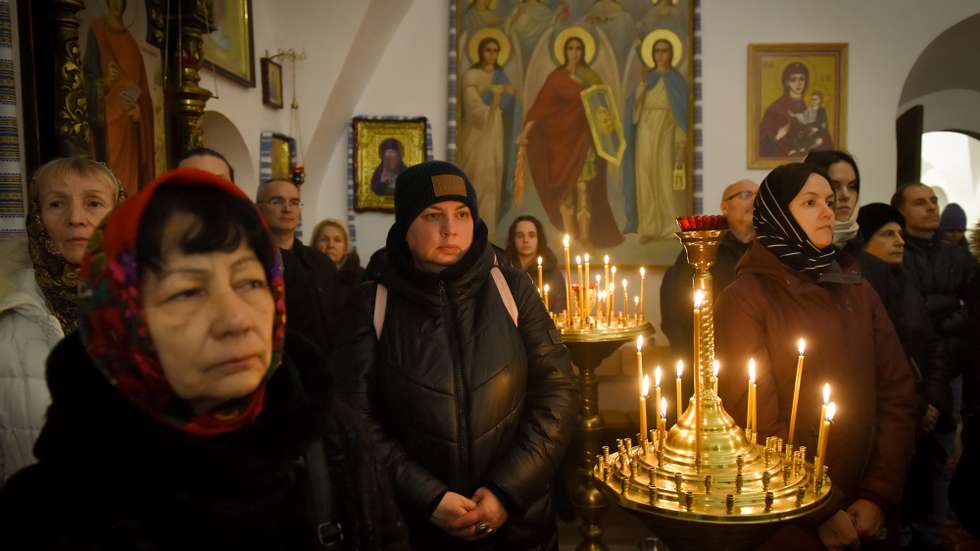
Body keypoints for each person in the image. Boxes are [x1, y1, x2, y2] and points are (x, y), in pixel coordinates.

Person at [0, 168, 407, 549]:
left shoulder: (332, 446)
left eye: (250, 282)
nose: (235, 320)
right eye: (187, 292)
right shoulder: (48, 509)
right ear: (121, 318)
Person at [332, 161, 578, 550]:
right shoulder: (373, 302)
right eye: (433, 216)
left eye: (462, 214)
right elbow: (353, 418)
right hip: (414, 526)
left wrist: (506, 492)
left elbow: (557, 393)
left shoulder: (511, 286)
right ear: (405, 226)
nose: (451, 229)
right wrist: (429, 498)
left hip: (518, 525)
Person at [715, 163, 915, 550]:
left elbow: (898, 393)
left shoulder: (857, 289)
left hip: (866, 503)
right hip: (789, 516)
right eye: (810, 202)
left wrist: (877, 494)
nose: (829, 210)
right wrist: (823, 511)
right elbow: (753, 423)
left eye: (828, 200)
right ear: (777, 214)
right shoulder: (743, 299)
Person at [0, 157, 123, 483]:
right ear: (37, 218)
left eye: (94, 203)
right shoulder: (6, 309)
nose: (76, 219)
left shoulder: (154, 304)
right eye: (57, 204)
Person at [856, 203, 954, 550]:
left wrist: (933, 400)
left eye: (900, 233)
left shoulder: (906, 281)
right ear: (865, 240)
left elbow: (932, 346)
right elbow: (879, 363)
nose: (899, 241)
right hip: (892, 414)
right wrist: (917, 404)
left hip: (924, 408)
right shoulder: (860, 289)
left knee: (926, 495)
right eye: (887, 234)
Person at [891, 182, 976, 549]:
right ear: (902, 210)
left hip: (951, 372)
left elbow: (973, 311)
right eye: (920, 202)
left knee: (940, 459)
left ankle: (931, 535)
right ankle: (903, 534)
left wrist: (946, 313)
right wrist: (948, 306)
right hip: (905, 374)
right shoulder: (892, 253)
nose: (930, 208)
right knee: (901, 462)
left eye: (933, 202)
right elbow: (904, 316)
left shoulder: (958, 258)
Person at [517, 33, 624, 249]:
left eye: (578, 48)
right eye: (570, 48)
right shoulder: (555, 78)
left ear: (583, 52)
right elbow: (541, 107)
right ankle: (571, 237)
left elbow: (603, 110)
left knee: (584, 189)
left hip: (584, 143)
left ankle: (584, 236)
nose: (574, 52)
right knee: (565, 194)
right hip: (560, 145)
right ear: (564, 52)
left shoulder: (591, 77)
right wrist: (525, 133)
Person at [660, 178, 756, 393]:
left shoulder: (770, 251)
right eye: (744, 195)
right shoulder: (702, 248)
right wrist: (692, 358)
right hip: (703, 366)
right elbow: (673, 310)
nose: (754, 201)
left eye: (758, 196)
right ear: (724, 206)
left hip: (753, 364)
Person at [255, 178, 339, 349]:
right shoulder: (249, 260)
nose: (287, 209)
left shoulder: (321, 263)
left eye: (294, 202)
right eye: (277, 201)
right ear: (259, 208)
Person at [82, 0, 155, 196]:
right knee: (106, 183)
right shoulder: (97, 31)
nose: (116, 3)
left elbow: (144, 94)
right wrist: (105, 82)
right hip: (106, 121)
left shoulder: (131, 43)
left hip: (129, 128)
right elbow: (84, 80)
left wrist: (140, 114)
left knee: (128, 186)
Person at [628, 37, 689, 242]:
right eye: (657, 51)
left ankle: (669, 226)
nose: (661, 55)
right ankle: (649, 227)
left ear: (671, 54)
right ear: (653, 55)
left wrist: (681, 146)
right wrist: (643, 84)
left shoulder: (677, 81)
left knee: (663, 177)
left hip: (666, 131)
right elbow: (635, 109)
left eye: (665, 51)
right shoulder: (649, 78)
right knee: (645, 177)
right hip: (645, 131)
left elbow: (682, 117)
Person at [458, 35, 518, 239]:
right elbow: (473, 108)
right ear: (480, 52)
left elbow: (511, 103)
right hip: (476, 133)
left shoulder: (501, 76)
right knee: (477, 177)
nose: (491, 55)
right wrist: (494, 102)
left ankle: (488, 230)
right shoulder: (471, 75)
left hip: (495, 131)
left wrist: (506, 96)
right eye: (487, 50)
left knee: (492, 178)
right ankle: (472, 229)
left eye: (495, 50)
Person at [758, 62, 833, 158]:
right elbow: (762, 145)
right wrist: (776, 137)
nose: (799, 84)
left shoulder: (815, 107)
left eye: (802, 79)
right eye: (793, 80)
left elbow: (826, 140)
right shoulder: (775, 109)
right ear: (787, 82)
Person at [503, 214, 567, 315]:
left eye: (531, 235)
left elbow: (559, 308)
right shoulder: (503, 268)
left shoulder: (552, 272)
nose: (526, 240)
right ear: (513, 240)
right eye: (520, 236)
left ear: (539, 239)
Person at [804, 150, 861, 255]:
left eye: (852, 186)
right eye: (835, 186)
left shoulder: (871, 257)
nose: (846, 195)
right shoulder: (790, 248)